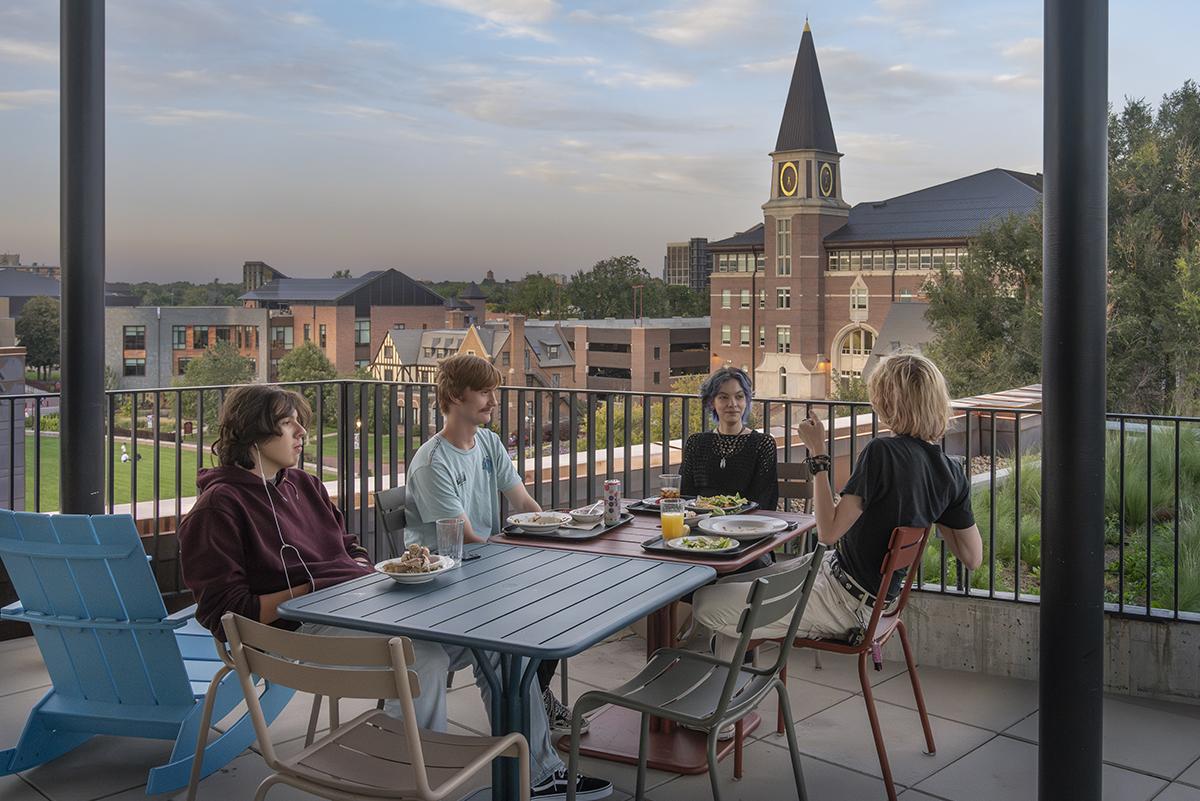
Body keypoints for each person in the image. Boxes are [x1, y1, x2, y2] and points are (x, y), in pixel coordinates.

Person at [178, 383, 610, 801]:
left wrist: (367, 575)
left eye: (300, 423)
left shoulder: (303, 485)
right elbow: (224, 612)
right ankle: (402, 785)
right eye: (288, 424)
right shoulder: (220, 506)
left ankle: (539, 776)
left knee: (500, 648)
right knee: (421, 657)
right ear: (253, 432)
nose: (302, 433)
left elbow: (349, 549)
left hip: (361, 606)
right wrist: (313, 588)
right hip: (297, 630)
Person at [403, 354, 609, 799]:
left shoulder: (489, 444)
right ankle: (533, 769)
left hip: (482, 586)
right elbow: (469, 539)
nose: (494, 401)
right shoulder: (432, 463)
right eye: (485, 392)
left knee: (524, 644)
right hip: (441, 600)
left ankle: (537, 772)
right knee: (505, 652)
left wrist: (556, 530)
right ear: (456, 396)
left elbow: (524, 506)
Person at [691, 353, 983, 662]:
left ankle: (729, 694)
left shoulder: (882, 452)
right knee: (730, 584)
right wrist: (936, 506)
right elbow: (972, 557)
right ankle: (730, 694)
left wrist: (818, 452)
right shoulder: (950, 472)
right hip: (857, 588)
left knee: (705, 601)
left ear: (887, 400)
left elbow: (828, 531)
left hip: (843, 600)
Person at [679, 366, 778, 510]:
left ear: (746, 400)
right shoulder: (696, 443)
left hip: (747, 525)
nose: (732, 404)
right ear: (712, 402)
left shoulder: (762, 444)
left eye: (739, 396)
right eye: (723, 397)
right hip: (700, 522)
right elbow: (685, 496)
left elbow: (765, 500)